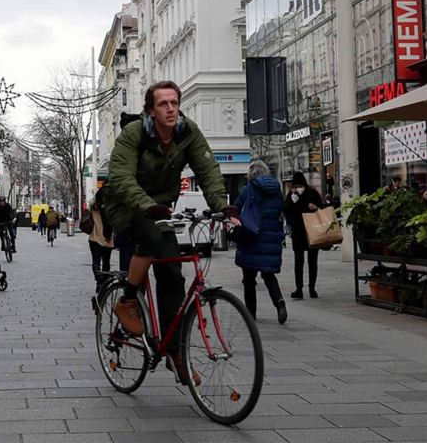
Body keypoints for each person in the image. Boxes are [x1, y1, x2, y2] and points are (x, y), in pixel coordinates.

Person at [103, 81, 231, 349]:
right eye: (163, 104)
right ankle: (128, 300)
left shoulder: (187, 132)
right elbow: (121, 177)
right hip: (125, 204)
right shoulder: (134, 134)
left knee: (172, 274)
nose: (171, 109)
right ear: (151, 110)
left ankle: (174, 352)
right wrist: (146, 205)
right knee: (150, 239)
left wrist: (221, 205)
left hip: (160, 208)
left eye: (174, 103)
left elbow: (207, 170)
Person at [232, 161, 287, 324]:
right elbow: (280, 210)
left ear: (251, 174)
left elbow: (236, 207)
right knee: (268, 274)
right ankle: (279, 302)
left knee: (249, 279)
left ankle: (251, 315)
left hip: (251, 236)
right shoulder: (277, 190)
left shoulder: (249, 189)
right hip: (270, 237)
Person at [284, 171, 323, 299]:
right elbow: (286, 210)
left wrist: (314, 207)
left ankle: (311, 288)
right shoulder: (292, 195)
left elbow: (321, 208)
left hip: (312, 230)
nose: (297, 188)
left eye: (299, 185)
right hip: (299, 232)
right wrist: (292, 201)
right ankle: (300, 288)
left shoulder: (312, 193)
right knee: (300, 261)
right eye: (295, 186)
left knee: (311, 261)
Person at [87, 188, 114, 274]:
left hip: (93, 237)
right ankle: (104, 279)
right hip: (105, 238)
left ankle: (98, 279)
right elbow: (107, 224)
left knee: (96, 261)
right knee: (106, 262)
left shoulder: (92, 207)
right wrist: (108, 236)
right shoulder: (107, 208)